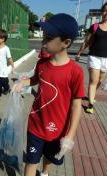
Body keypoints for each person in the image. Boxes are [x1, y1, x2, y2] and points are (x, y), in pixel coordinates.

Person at [12, 14, 85, 176]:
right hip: (36, 125)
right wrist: (22, 83)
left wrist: (70, 137)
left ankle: (45, 172)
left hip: (58, 131)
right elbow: (35, 80)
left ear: (66, 43)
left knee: (49, 158)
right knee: (31, 161)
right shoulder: (42, 63)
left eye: (49, 37)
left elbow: (76, 105)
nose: (43, 41)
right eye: (44, 36)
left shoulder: (76, 72)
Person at [76, 2, 107, 114]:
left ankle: (90, 95)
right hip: (94, 57)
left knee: (100, 80)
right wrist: (79, 53)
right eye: (105, 10)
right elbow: (86, 42)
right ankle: (90, 104)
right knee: (93, 81)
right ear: (102, 11)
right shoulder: (94, 26)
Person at [0, 29, 14, 101]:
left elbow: (9, 58)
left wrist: (12, 66)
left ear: (3, 39)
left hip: (3, 71)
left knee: (5, 83)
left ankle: (7, 89)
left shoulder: (6, 49)